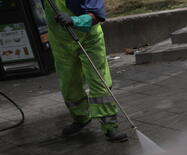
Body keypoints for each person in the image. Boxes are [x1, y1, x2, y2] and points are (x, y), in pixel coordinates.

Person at [45, 0, 127, 142]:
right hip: (60, 41)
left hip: (89, 39)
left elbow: (96, 15)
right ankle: (81, 118)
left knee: (99, 81)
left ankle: (110, 126)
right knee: (69, 83)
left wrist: (74, 20)